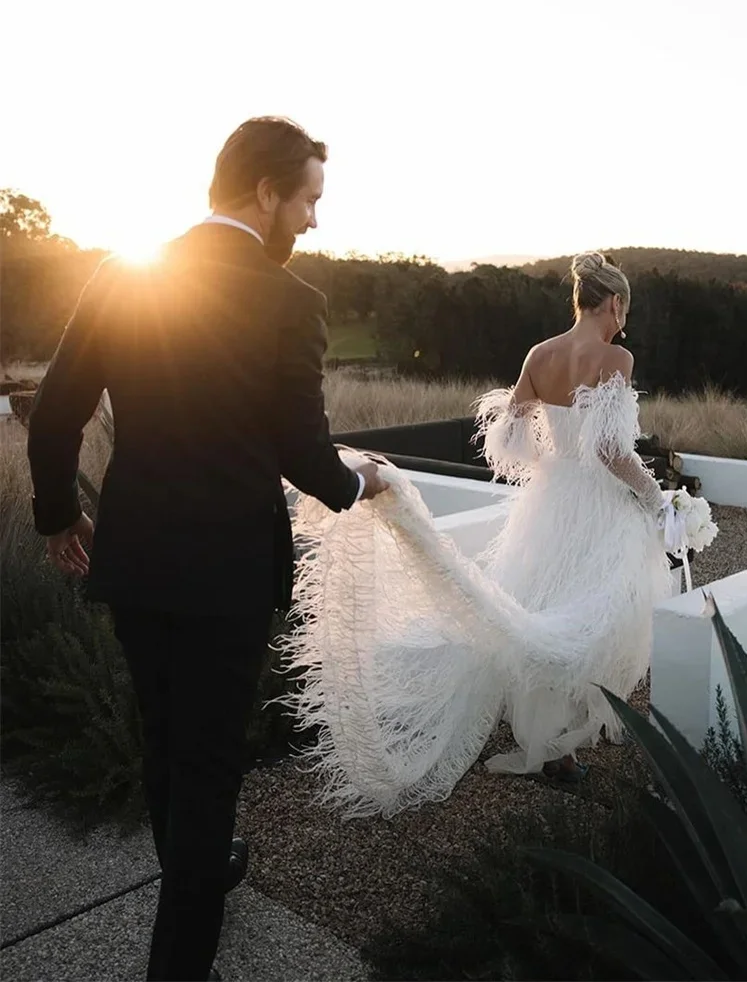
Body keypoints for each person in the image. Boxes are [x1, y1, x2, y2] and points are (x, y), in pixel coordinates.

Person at [27, 116, 387, 982]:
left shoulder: (124, 274)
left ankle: (202, 863)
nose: (311, 220)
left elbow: (52, 415)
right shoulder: (290, 302)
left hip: (139, 562)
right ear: (265, 191)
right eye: (307, 199)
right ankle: (181, 955)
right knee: (211, 764)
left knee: (165, 743)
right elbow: (307, 458)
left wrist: (54, 518)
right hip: (225, 579)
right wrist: (366, 479)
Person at [278, 252, 678, 818]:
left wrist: (553, 462)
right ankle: (559, 741)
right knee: (596, 616)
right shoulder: (616, 356)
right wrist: (657, 497)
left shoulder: (541, 355)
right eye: (623, 310)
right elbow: (613, 452)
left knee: (541, 607)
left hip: (550, 501)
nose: (622, 321)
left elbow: (509, 436)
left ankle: (548, 746)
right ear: (614, 302)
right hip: (596, 505)